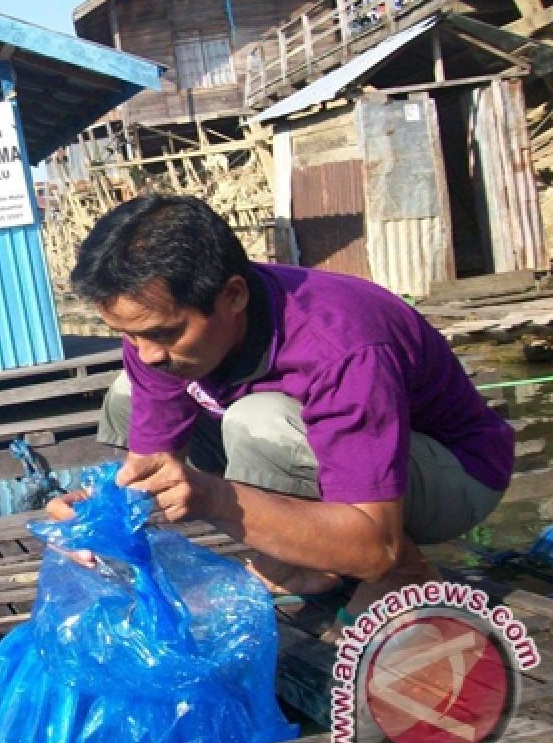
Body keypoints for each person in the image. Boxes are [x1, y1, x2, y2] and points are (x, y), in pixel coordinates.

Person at [50, 193, 513, 633]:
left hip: (452, 477)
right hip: (328, 458)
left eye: (165, 333)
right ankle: (305, 560)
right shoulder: (154, 338)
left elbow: (376, 547)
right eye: (129, 335)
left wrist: (210, 496)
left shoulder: (341, 345)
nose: (146, 352)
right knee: (128, 389)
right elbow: (151, 462)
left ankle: (405, 573)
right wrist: (98, 515)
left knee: (258, 420)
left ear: (233, 296)